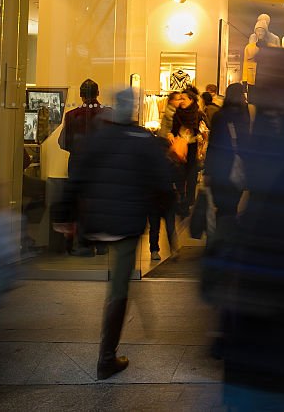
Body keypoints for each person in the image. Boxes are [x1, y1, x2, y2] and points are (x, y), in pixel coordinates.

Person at [209, 48, 284, 411]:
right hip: (268, 279)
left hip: (273, 277)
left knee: (257, 387)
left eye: (263, 79)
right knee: (257, 385)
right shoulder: (277, 129)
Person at [53, 88, 175, 380]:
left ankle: (107, 355)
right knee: (119, 288)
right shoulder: (144, 140)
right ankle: (106, 358)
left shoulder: (98, 137)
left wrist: (64, 215)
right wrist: (165, 211)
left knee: (116, 282)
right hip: (127, 224)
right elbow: (162, 181)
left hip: (99, 220)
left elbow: (78, 177)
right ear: (132, 110)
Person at [59, 78, 113, 256]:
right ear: (98, 93)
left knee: (81, 203)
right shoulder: (108, 114)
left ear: (81, 96)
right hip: (102, 166)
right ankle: (102, 242)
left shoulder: (72, 115)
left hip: (78, 164)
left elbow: (63, 142)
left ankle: (85, 243)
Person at [204, 83, 251, 225]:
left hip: (220, 169)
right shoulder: (245, 115)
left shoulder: (219, 116)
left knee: (221, 208)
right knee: (232, 207)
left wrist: (208, 171)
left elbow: (213, 145)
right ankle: (229, 237)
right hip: (238, 169)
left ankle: (220, 238)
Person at [172, 87, 208, 213]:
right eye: (180, 98)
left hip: (193, 148)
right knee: (180, 176)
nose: (181, 101)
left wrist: (198, 135)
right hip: (180, 148)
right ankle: (182, 200)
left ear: (191, 100)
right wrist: (171, 135)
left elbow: (204, 131)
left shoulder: (198, 114)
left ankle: (187, 202)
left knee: (191, 177)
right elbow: (173, 130)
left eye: (183, 98)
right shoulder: (177, 114)